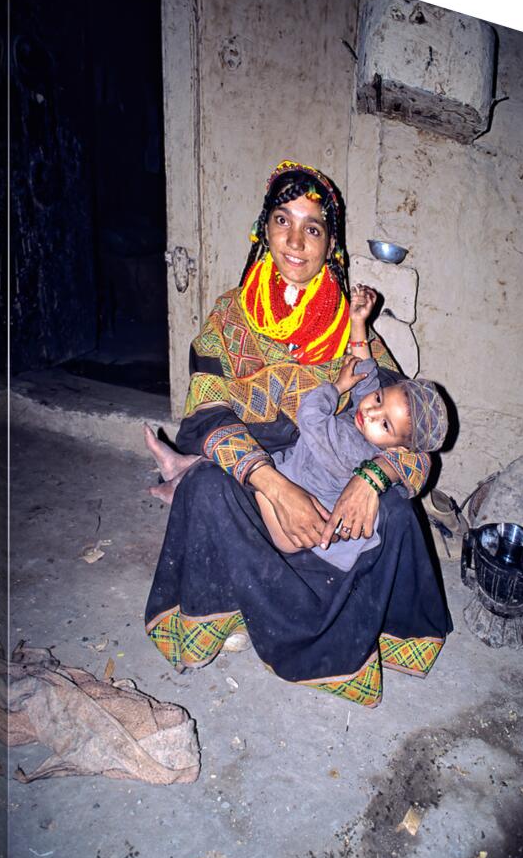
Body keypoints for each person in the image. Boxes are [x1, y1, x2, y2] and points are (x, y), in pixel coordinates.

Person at [145, 159, 451, 707]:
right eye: (283, 220)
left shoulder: (349, 332)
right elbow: (207, 414)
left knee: (398, 515)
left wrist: (373, 477)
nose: (294, 241)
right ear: (264, 228)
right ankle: (223, 610)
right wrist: (274, 485)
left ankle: (354, 638)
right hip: (259, 482)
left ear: (330, 243)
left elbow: (413, 437)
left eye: (312, 228)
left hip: (333, 491)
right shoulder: (230, 318)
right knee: (204, 490)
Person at [144, 285, 449, 574]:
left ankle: (182, 485)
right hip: (298, 466)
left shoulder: (350, 444)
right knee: (238, 456)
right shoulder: (237, 309)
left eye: (384, 423)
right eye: (379, 399)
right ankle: (181, 467)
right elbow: (366, 375)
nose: (369, 411)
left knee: (247, 472)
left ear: (397, 447)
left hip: (299, 526)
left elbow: (311, 415)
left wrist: (337, 386)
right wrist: (358, 322)